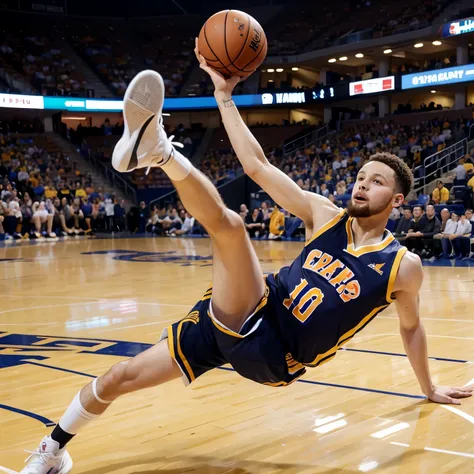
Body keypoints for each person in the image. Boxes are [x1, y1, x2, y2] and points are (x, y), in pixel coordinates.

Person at [20, 60, 473, 473]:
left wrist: (428, 386)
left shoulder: (402, 265)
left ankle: (161, 152)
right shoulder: (323, 215)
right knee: (119, 377)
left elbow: (410, 328)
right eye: (359, 177)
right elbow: (256, 165)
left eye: (375, 183)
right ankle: (52, 451)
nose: (361, 186)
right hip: (242, 311)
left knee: (232, 227)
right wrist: (223, 96)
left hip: (275, 350)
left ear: (396, 200)